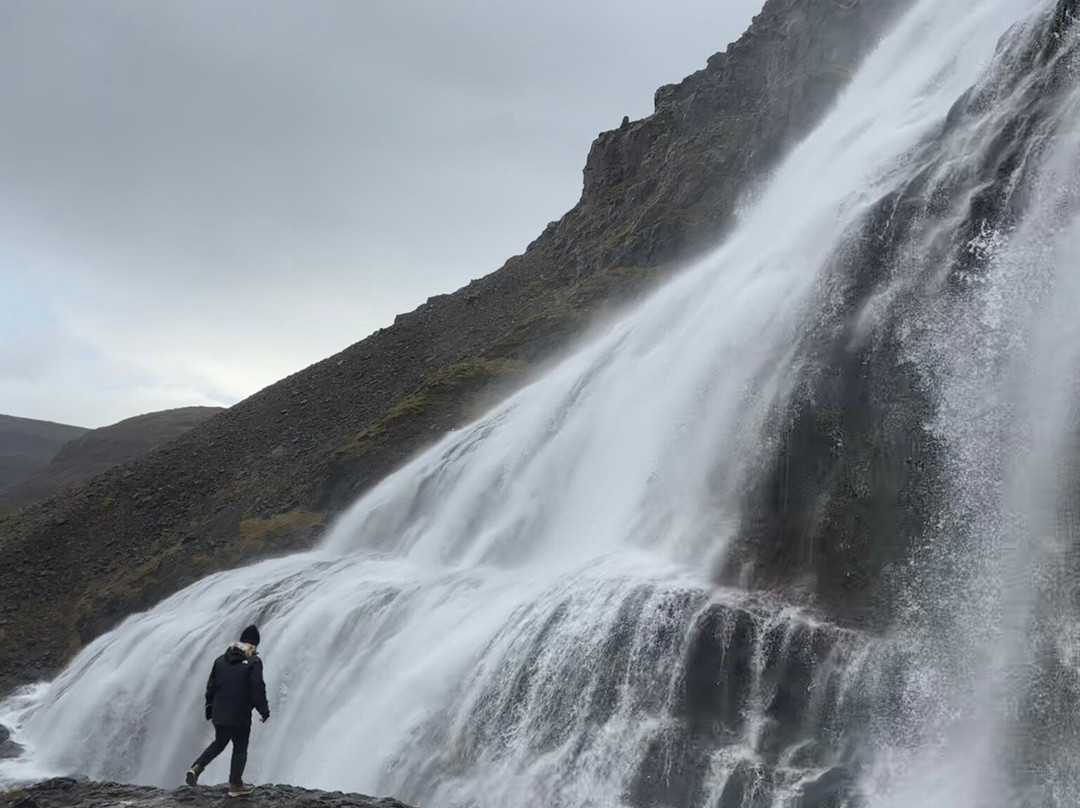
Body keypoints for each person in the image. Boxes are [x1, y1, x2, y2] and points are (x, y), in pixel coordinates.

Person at [185, 624, 271, 797]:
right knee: (240, 746)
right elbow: (257, 688)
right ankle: (236, 785)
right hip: (240, 714)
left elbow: (211, 687)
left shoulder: (220, 660)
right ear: (254, 644)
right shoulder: (254, 662)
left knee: (219, 742)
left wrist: (209, 708)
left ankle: (196, 767)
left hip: (220, 712)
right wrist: (264, 710)